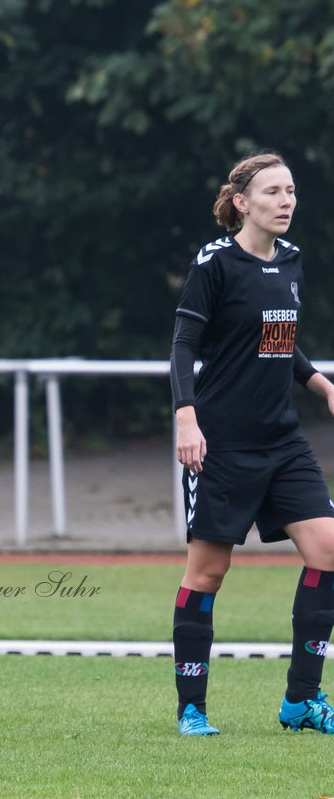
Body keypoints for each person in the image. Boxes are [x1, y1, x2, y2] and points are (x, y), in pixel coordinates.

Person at [171, 150, 334, 736]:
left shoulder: (290, 261)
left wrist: (319, 383)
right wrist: (186, 418)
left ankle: (301, 703)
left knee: (329, 550)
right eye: (272, 192)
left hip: (282, 441)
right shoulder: (214, 263)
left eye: (290, 191)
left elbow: (276, 339)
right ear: (242, 202)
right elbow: (185, 345)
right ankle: (193, 709)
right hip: (223, 444)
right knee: (209, 572)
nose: (285, 201)